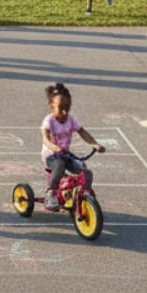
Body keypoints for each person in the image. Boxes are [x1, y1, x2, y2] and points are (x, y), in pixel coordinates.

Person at [39, 82, 106, 211]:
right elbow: (45, 139)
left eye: (67, 107)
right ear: (52, 105)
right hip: (51, 156)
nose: (64, 112)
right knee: (59, 165)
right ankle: (51, 193)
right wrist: (54, 147)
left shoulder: (70, 119)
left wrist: (94, 144)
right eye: (61, 107)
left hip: (65, 154)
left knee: (84, 170)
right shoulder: (49, 120)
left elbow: (82, 132)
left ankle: (84, 194)